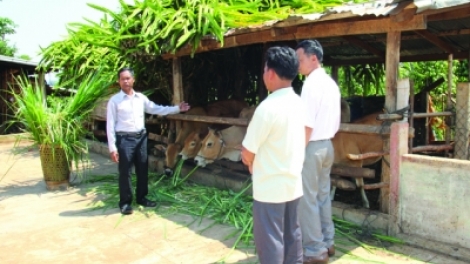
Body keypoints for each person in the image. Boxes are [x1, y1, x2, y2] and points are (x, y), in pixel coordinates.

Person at [241, 46, 307, 264]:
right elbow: (307, 133)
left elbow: (247, 151)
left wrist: (250, 162)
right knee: (292, 235)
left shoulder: (267, 108)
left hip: (270, 188)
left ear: (270, 73)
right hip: (293, 183)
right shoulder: (299, 103)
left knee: (271, 241)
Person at [106, 67, 190, 215]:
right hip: (125, 139)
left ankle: (142, 197)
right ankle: (125, 203)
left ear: (133, 80)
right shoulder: (115, 101)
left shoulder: (140, 98)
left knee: (143, 168)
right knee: (125, 171)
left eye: (128, 78)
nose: (125, 81)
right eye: (122, 79)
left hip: (141, 137)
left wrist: (177, 109)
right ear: (119, 81)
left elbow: (156, 109)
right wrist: (113, 147)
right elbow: (110, 125)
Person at [296, 40, 341, 264]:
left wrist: (298, 150)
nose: (297, 64)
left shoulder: (310, 84)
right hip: (328, 146)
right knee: (323, 196)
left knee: (307, 199)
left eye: (300, 59)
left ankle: (314, 250)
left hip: (312, 146)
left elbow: (307, 124)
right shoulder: (331, 83)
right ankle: (328, 242)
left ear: (314, 58)